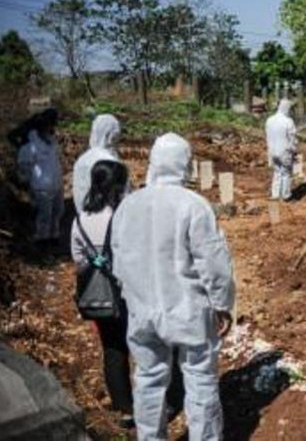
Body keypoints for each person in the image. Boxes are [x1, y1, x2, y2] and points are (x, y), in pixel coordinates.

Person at [111, 133, 235, 441]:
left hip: (142, 311)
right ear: (185, 164)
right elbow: (214, 263)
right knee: (200, 381)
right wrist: (222, 304)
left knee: (148, 380)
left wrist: (133, 297)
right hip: (188, 311)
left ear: (153, 162)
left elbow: (118, 260)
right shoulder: (193, 205)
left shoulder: (128, 206)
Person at [70, 160, 135, 428]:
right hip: (127, 293)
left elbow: (78, 262)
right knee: (142, 347)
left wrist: (96, 261)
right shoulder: (122, 217)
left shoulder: (80, 220)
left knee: (112, 349)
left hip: (99, 296)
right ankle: (153, 402)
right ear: (117, 187)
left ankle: (125, 408)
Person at [17, 108, 63, 248]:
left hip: (56, 185)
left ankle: (54, 236)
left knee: (58, 212)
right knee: (44, 216)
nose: (52, 127)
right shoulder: (30, 146)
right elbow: (24, 166)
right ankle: (42, 241)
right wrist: (30, 182)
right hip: (42, 187)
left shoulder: (51, 141)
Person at [72, 114, 122, 214]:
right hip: (105, 218)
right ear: (110, 136)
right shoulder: (110, 161)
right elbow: (121, 193)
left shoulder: (82, 159)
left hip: (83, 218)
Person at [265, 99, 297, 201]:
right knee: (286, 173)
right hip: (285, 151)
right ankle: (286, 196)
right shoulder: (288, 121)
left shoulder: (269, 120)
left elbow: (267, 137)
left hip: (272, 151)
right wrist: (294, 150)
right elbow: (292, 138)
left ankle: (275, 195)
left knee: (277, 172)